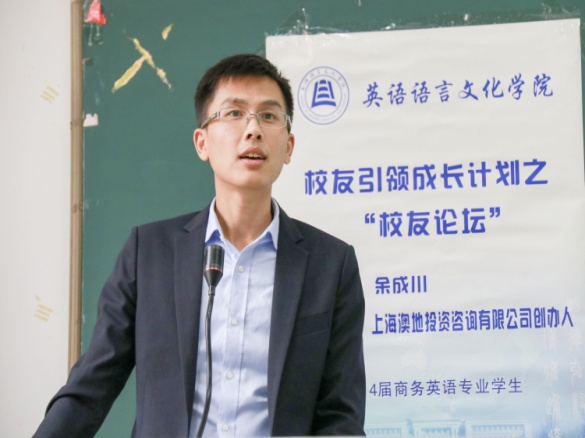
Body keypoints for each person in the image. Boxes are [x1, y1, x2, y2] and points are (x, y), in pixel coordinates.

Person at [34, 54, 366, 437]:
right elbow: (91, 388)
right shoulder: (148, 253)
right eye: (234, 113)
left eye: (269, 116)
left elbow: (340, 415)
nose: (253, 129)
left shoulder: (331, 265)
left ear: (288, 146)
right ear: (202, 142)